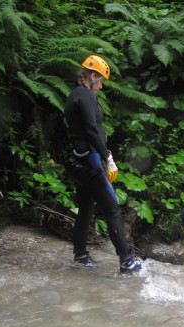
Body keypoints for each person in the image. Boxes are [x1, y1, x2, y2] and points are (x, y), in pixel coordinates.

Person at [64, 54, 141, 272]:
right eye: (100, 82)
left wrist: (103, 153)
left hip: (79, 158)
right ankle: (127, 261)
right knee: (112, 209)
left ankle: (80, 255)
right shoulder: (85, 96)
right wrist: (107, 158)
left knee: (86, 208)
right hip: (89, 160)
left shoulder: (74, 95)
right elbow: (91, 130)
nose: (101, 87)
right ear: (92, 75)